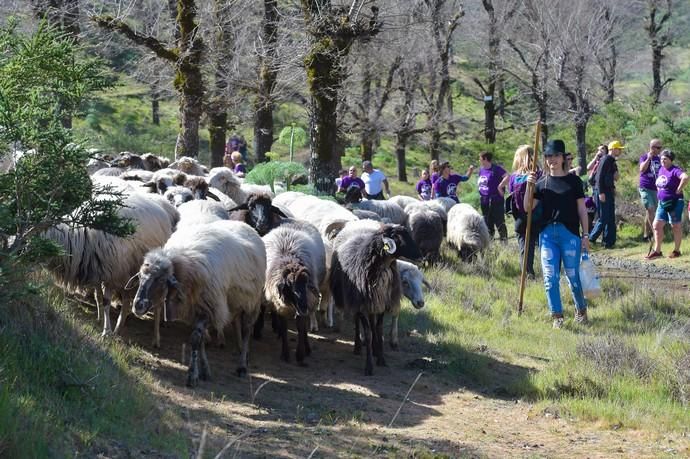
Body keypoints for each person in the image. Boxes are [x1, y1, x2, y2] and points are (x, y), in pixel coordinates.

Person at [524, 139, 590, 329]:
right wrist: (529, 186)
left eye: (555, 155)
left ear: (562, 157)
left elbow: (582, 209)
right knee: (550, 277)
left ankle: (581, 310)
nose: (551, 159)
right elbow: (528, 207)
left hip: (569, 234)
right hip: (547, 235)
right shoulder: (541, 182)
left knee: (573, 277)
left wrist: (585, 235)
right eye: (548, 156)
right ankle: (557, 317)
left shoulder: (574, 181)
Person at [502, 145, 541, 278]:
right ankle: (529, 273)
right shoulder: (538, 174)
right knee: (530, 246)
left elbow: (511, 192)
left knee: (525, 246)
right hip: (534, 216)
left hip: (522, 216)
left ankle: (527, 272)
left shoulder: (515, 177)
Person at [645, 149, 688, 260]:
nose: (663, 160)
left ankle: (677, 251)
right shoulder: (661, 170)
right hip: (662, 203)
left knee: (675, 226)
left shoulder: (675, 170)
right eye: (661, 159)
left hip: (675, 202)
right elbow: (659, 183)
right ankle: (657, 251)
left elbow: (685, 177)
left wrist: (679, 189)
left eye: (665, 159)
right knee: (656, 225)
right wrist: (660, 191)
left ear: (670, 160)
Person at [589, 140, 624, 248]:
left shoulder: (611, 161)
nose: (620, 151)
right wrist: (601, 192)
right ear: (613, 149)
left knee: (610, 218)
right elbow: (599, 177)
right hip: (602, 192)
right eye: (619, 149)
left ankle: (609, 242)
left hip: (608, 191)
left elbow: (616, 177)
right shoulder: (606, 159)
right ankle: (590, 239)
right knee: (603, 218)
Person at [477, 151, 508, 241]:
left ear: (485, 159)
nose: (479, 160)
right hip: (484, 201)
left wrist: (500, 186)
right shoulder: (481, 170)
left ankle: (504, 241)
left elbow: (507, 176)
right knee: (487, 223)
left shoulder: (496, 169)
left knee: (499, 222)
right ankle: (490, 242)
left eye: (480, 158)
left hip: (496, 200)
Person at [639, 139, 663, 242]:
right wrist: (648, 159)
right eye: (658, 148)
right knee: (650, 209)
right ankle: (655, 233)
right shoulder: (644, 157)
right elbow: (642, 169)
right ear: (652, 148)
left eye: (660, 148)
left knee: (651, 212)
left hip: (656, 188)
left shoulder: (659, 159)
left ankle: (645, 234)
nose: (659, 150)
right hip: (645, 187)